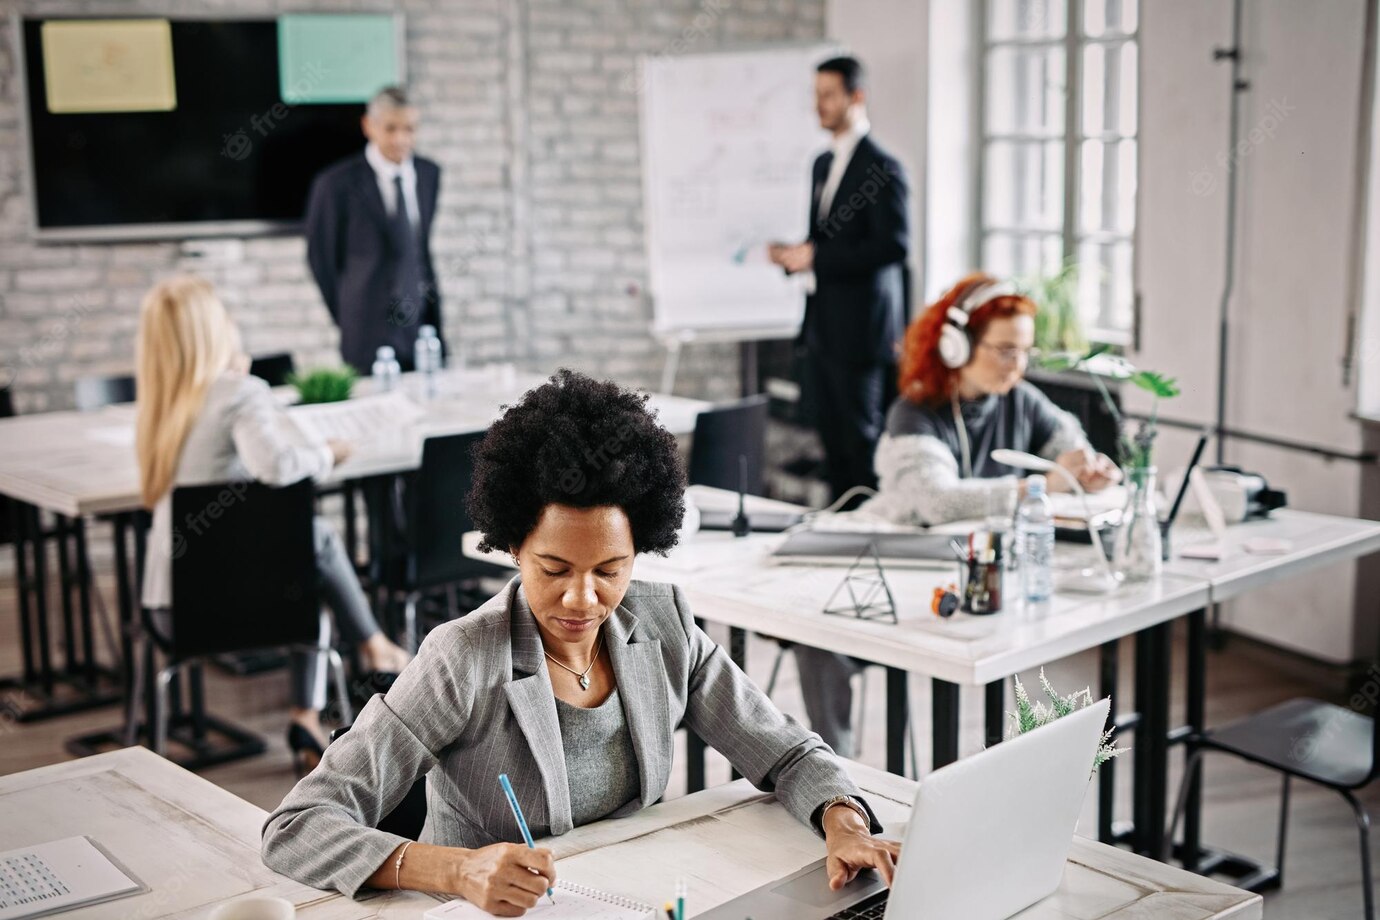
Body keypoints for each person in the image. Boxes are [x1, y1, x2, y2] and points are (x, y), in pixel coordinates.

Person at [261, 370, 901, 916]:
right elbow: (296, 829)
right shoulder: (462, 658)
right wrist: (455, 871)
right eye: (555, 569)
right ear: (513, 548)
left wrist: (843, 822)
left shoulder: (664, 624)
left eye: (610, 570)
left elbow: (786, 752)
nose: (583, 600)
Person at [793, 273, 1120, 757]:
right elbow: (936, 501)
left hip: (974, 577)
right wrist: (1037, 485)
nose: (1018, 365)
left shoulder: (1023, 401)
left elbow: (1072, 453)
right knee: (819, 637)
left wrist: (1088, 469)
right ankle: (837, 772)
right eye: (1005, 350)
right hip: (900, 563)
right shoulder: (915, 410)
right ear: (955, 344)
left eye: (1025, 351)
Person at [135, 275, 412, 772]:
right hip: (249, 610)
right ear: (212, 331)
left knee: (304, 556)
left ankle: (329, 694)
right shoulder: (238, 393)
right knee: (312, 554)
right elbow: (276, 466)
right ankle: (367, 653)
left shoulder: (159, 405)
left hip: (170, 613)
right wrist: (328, 452)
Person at [769, 55, 909, 507]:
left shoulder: (882, 167)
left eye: (828, 95)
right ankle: (837, 532)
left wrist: (818, 256)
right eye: (816, 96)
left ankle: (866, 535)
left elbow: (893, 246)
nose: (820, 106)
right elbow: (826, 242)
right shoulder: (822, 163)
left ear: (856, 96)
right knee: (830, 443)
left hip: (862, 332)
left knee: (860, 444)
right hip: (822, 326)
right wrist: (797, 256)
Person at [305, 86, 443, 374]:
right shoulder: (335, 184)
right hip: (365, 331)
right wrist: (348, 312)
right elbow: (322, 260)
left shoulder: (429, 174)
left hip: (421, 327)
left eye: (409, 129)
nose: (401, 139)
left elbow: (420, 251)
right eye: (391, 128)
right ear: (369, 126)